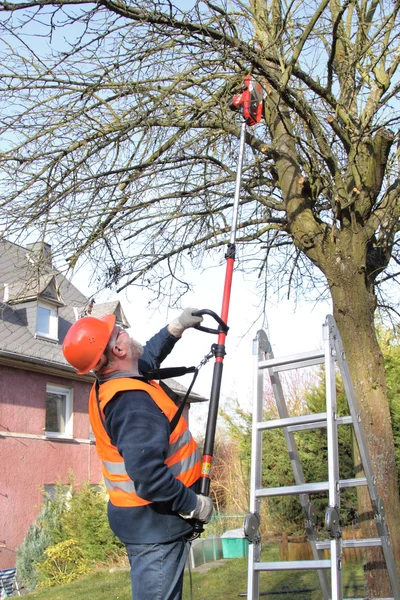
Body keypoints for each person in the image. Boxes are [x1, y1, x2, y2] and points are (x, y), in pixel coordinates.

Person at [62, 309, 214, 600]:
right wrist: (193, 505)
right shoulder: (132, 404)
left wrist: (175, 328)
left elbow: (149, 358)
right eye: (120, 331)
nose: (125, 332)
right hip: (154, 525)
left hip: (142, 519)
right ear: (118, 349)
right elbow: (149, 477)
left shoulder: (116, 381)